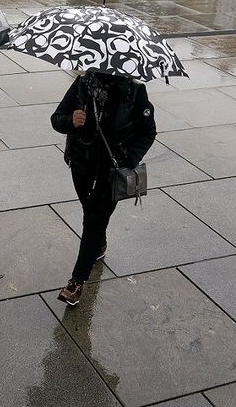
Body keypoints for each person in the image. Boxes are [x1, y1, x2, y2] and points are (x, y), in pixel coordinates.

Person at [51, 71, 156, 305]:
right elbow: (56, 118)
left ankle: (76, 281)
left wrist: (129, 158)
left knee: (93, 219)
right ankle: (99, 243)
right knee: (90, 213)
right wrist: (71, 121)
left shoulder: (134, 92)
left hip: (112, 170)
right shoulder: (83, 84)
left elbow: (148, 132)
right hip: (81, 163)